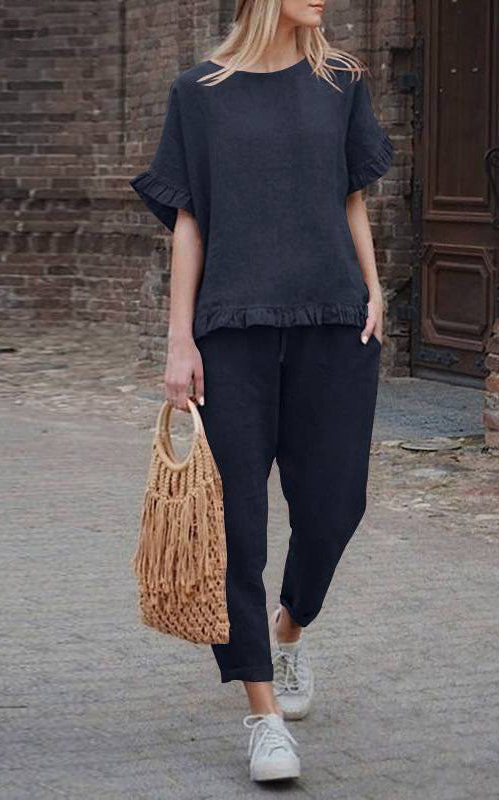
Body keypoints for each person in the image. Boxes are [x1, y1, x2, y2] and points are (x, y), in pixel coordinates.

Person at [129, 0, 393, 783]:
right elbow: (189, 221)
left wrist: (375, 288)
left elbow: (351, 195)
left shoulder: (340, 81)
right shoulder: (199, 92)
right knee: (235, 528)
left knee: (336, 505)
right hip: (232, 333)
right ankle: (263, 716)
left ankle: (290, 630)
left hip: (334, 320)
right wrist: (179, 340)